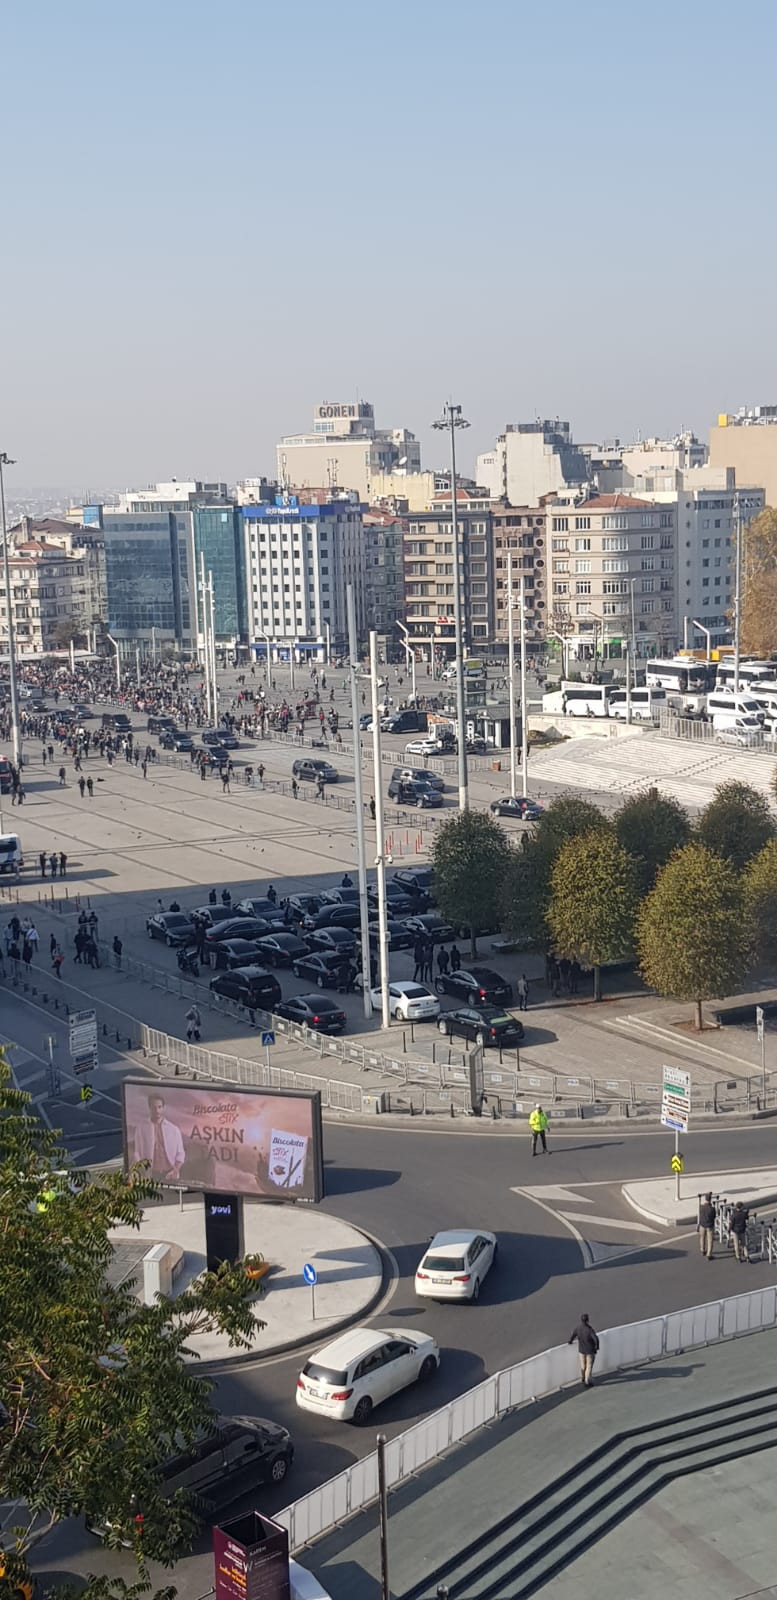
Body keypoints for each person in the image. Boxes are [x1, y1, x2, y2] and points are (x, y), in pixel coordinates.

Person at [133, 1091, 185, 1182]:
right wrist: (143, 1172)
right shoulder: (141, 1128)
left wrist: (175, 1170)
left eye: (159, 1107)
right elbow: (137, 1152)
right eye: (154, 1107)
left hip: (169, 1174)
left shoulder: (174, 1129)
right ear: (149, 1108)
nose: (157, 1110)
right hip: (151, 1174)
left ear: (163, 1108)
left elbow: (180, 1153)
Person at [568, 1313, 600, 1388]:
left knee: (583, 1365)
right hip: (589, 1351)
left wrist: (570, 1341)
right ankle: (587, 1381)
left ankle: (583, 1378)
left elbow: (573, 1334)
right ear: (588, 1320)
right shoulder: (589, 1330)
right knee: (589, 1366)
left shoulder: (578, 1328)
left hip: (581, 1350)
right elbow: (595, 1339)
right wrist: (596, 1347)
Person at [698, 1192, 716, 1261]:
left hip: (702, 1225)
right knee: (710, 1240)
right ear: (710, 1199)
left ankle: (702, 1249)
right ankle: (709, 1254)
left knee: (702, 1238)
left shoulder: (701, 1207)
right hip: (709, 1226)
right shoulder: (712, 1209)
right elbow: (714, 1216)